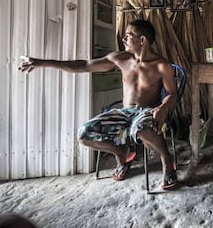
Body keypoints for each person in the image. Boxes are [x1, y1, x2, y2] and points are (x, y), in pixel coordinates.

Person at [18, 19, 178, 189]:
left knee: (142, 126)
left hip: (146, 112)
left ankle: (167, 160)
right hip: (124, 113)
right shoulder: (120, 58)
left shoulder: (162, 65)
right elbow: (84, 65)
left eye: (128, 35)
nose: (123, 39)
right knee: (84, 134)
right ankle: (121, 151)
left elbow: (172, 94)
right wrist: (42, 63)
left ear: (142, 40)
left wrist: (163, 107)